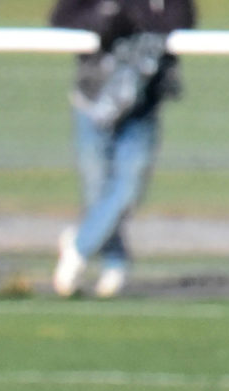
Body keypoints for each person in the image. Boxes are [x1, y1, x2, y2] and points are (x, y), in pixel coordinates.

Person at [50, 0, 193, 299]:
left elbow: (180, 21)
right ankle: (114, 265)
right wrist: (108, 18)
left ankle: (78, 249)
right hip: (93, 100)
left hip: (143, 103)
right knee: (97, 190)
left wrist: (136, 16)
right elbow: (64, 20)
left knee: (128, 189)